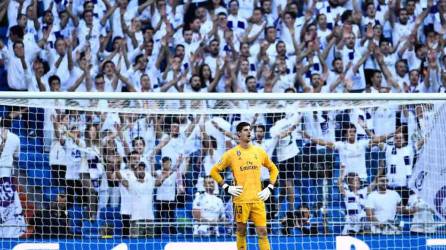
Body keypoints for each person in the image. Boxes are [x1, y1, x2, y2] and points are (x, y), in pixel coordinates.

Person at [210, 122, 279, 250]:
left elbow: (274, 169)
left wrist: (269, 187)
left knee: (263, 232)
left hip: (258, 199)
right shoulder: (231, 153)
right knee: (241, 231)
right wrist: (226, 187)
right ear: (239, 134)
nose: (249, 132)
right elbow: (214, 171)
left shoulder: (259, 152)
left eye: (250, 130)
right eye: (246, 130)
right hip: (241, 200)